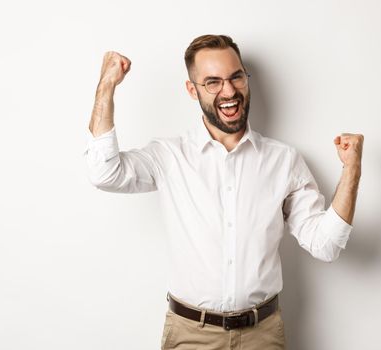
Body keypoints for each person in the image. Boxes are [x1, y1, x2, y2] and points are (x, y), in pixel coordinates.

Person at [84, 34, 363, 350]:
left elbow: (325, 246)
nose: (229, 91)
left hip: (263, 336)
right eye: (212, 82)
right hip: (191, 336)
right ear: (193, 90)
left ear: (247, 78)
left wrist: (352, 169)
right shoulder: (169, 156)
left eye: (236, 77)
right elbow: (104, 173)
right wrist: (107, 85)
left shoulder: (284, 161)